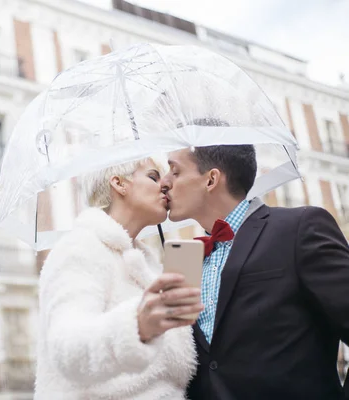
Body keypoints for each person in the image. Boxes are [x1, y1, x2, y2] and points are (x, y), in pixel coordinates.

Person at [161, 134, 349, 399]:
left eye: (174, 171)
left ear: (211, 179)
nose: (164, 182)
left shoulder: (299, 228)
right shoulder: (183, 260)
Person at [34, 158, 204, 400]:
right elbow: (66, 348)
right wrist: (137, 325)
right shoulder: (80, 248)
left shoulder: (147, 263)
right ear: (119, 183)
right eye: (154, 177)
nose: (166, 184)